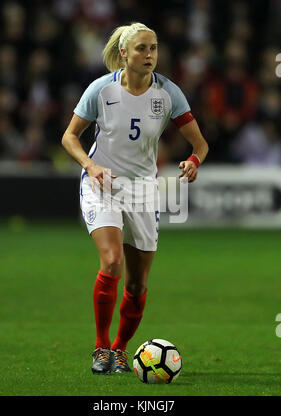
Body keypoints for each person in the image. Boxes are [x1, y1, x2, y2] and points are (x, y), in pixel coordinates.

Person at [61, 22, 209, 374]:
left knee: (138, 282)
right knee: (112, 261)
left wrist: (193, 161)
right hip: (103, 183)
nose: (150, 55)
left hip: (143, 190)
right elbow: (69, 137)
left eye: (154, 48)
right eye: (142, 48)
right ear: (124, 53)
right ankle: (100, 349)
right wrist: (90, 165)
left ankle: (120, 350)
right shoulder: (101, 90)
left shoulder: (168, 94)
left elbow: (200, 144)